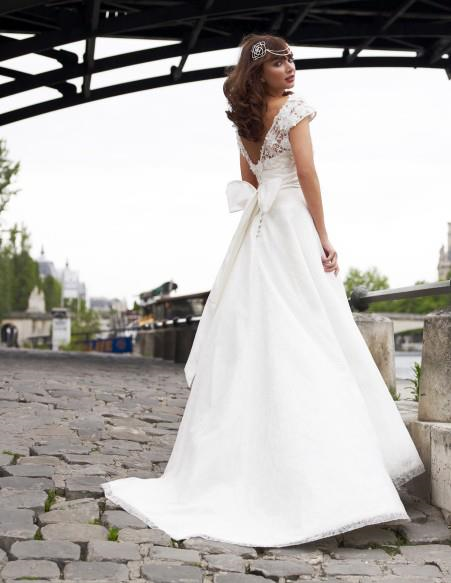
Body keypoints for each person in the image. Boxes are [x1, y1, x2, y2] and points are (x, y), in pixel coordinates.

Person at [101, 33, 426, 548]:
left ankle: (251, 470)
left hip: (259, 233)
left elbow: (249, 183)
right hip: (292, 225)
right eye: (279, 62)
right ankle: (330, 480)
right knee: (314, 336)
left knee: (258, 340)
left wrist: (271, 207)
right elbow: (307, 173)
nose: (290, 67)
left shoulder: (245, 120)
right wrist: (324, 236)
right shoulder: (295, 110)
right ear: (261, 72)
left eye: (291, 59)